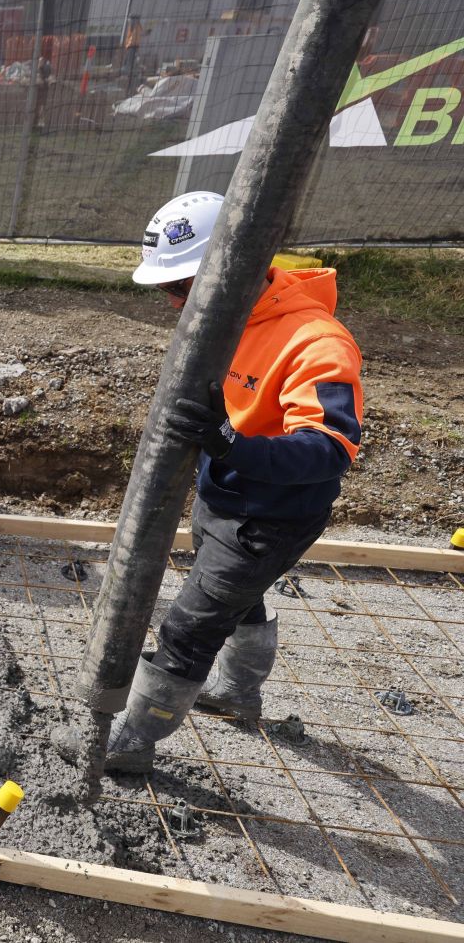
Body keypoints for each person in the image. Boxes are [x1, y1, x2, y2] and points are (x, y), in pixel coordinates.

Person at [103, 191, 364, 772]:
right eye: (166, 291)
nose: (173, 304)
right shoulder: (226, 319)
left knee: (189, 625)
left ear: (233, 266)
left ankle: (129, 744)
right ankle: (241, 693)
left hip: (272, 514)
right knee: (236, 596)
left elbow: (329, 447)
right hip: (226, 493)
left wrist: (231, 445)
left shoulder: (317, 342)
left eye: (180, 286)